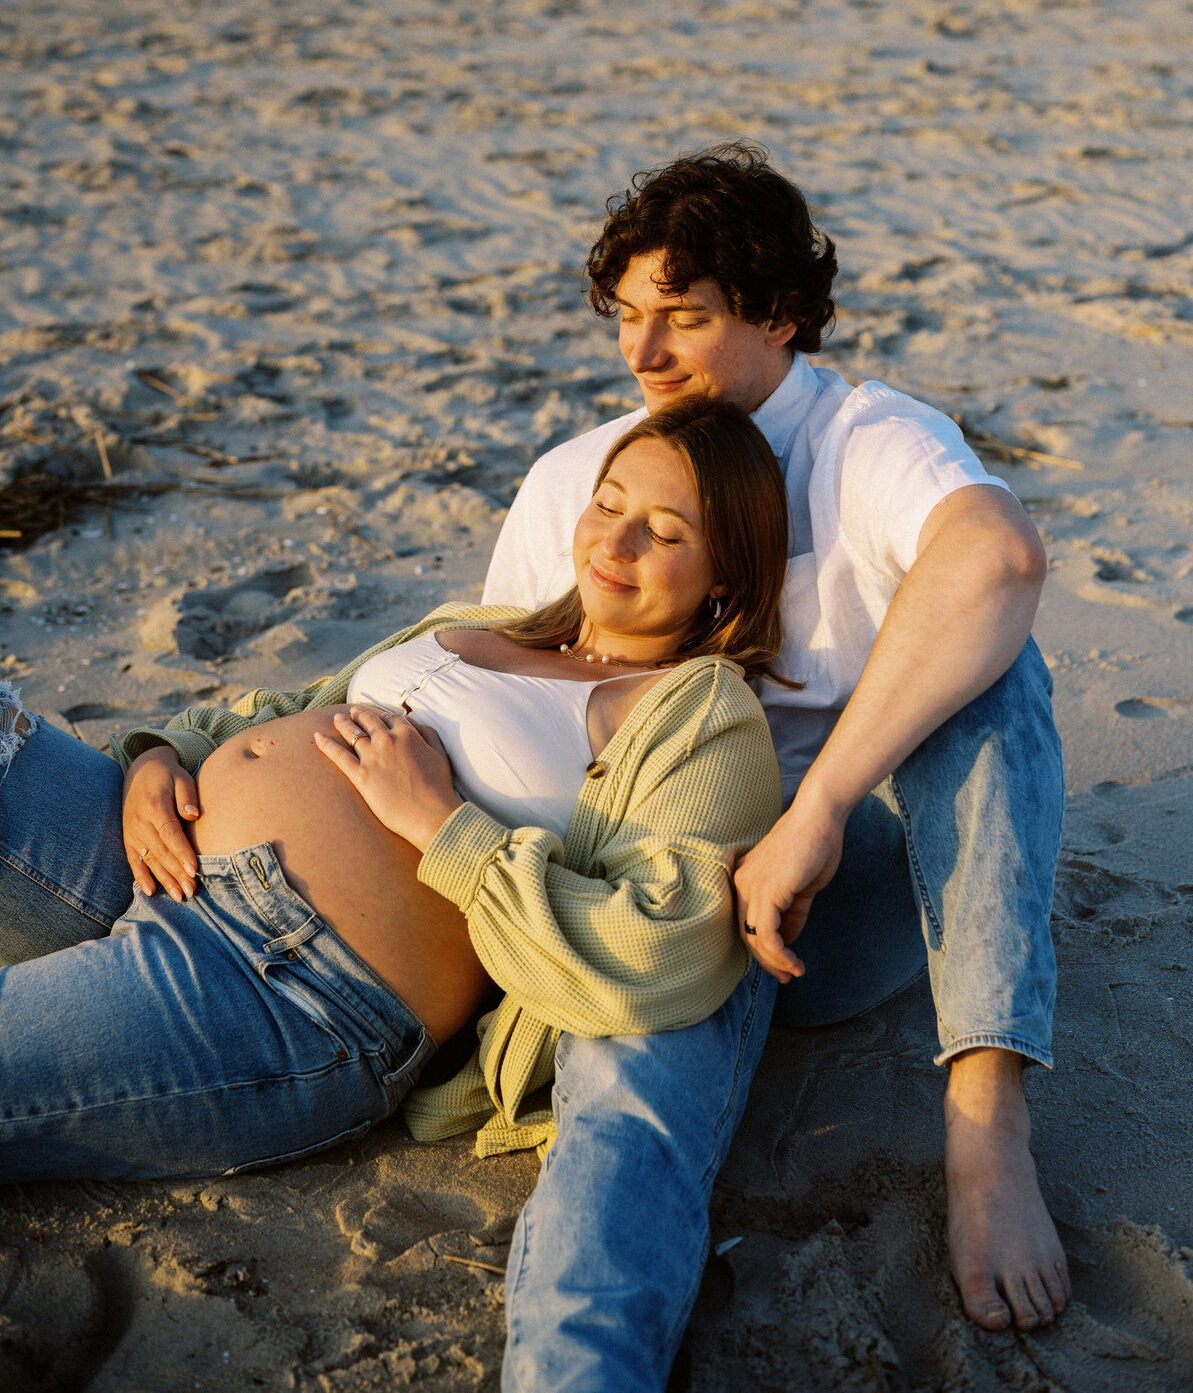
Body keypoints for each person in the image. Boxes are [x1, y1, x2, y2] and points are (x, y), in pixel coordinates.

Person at [484, 143, 1069, 1390]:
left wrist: (819, 805)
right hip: (659, 896)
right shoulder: (572, 484)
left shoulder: (863, 440)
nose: (643, 357)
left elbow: (1002, 557)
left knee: (998, 667)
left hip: (832, 895)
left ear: (782, 317)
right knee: (625, 1133)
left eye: (684, 318)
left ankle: (985, 1127)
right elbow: (495, 697)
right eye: (628, 320)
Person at [0, 399, 784, 1182]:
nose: (615, 541)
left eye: (665, 532)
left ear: (726, 575)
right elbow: (291, 708)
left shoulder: (700, 711)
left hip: (290, 984)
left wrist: (441, 821)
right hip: (154, 853)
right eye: (608, 504)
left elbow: (666, 942)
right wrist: (160, 758)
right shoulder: (488, 622)